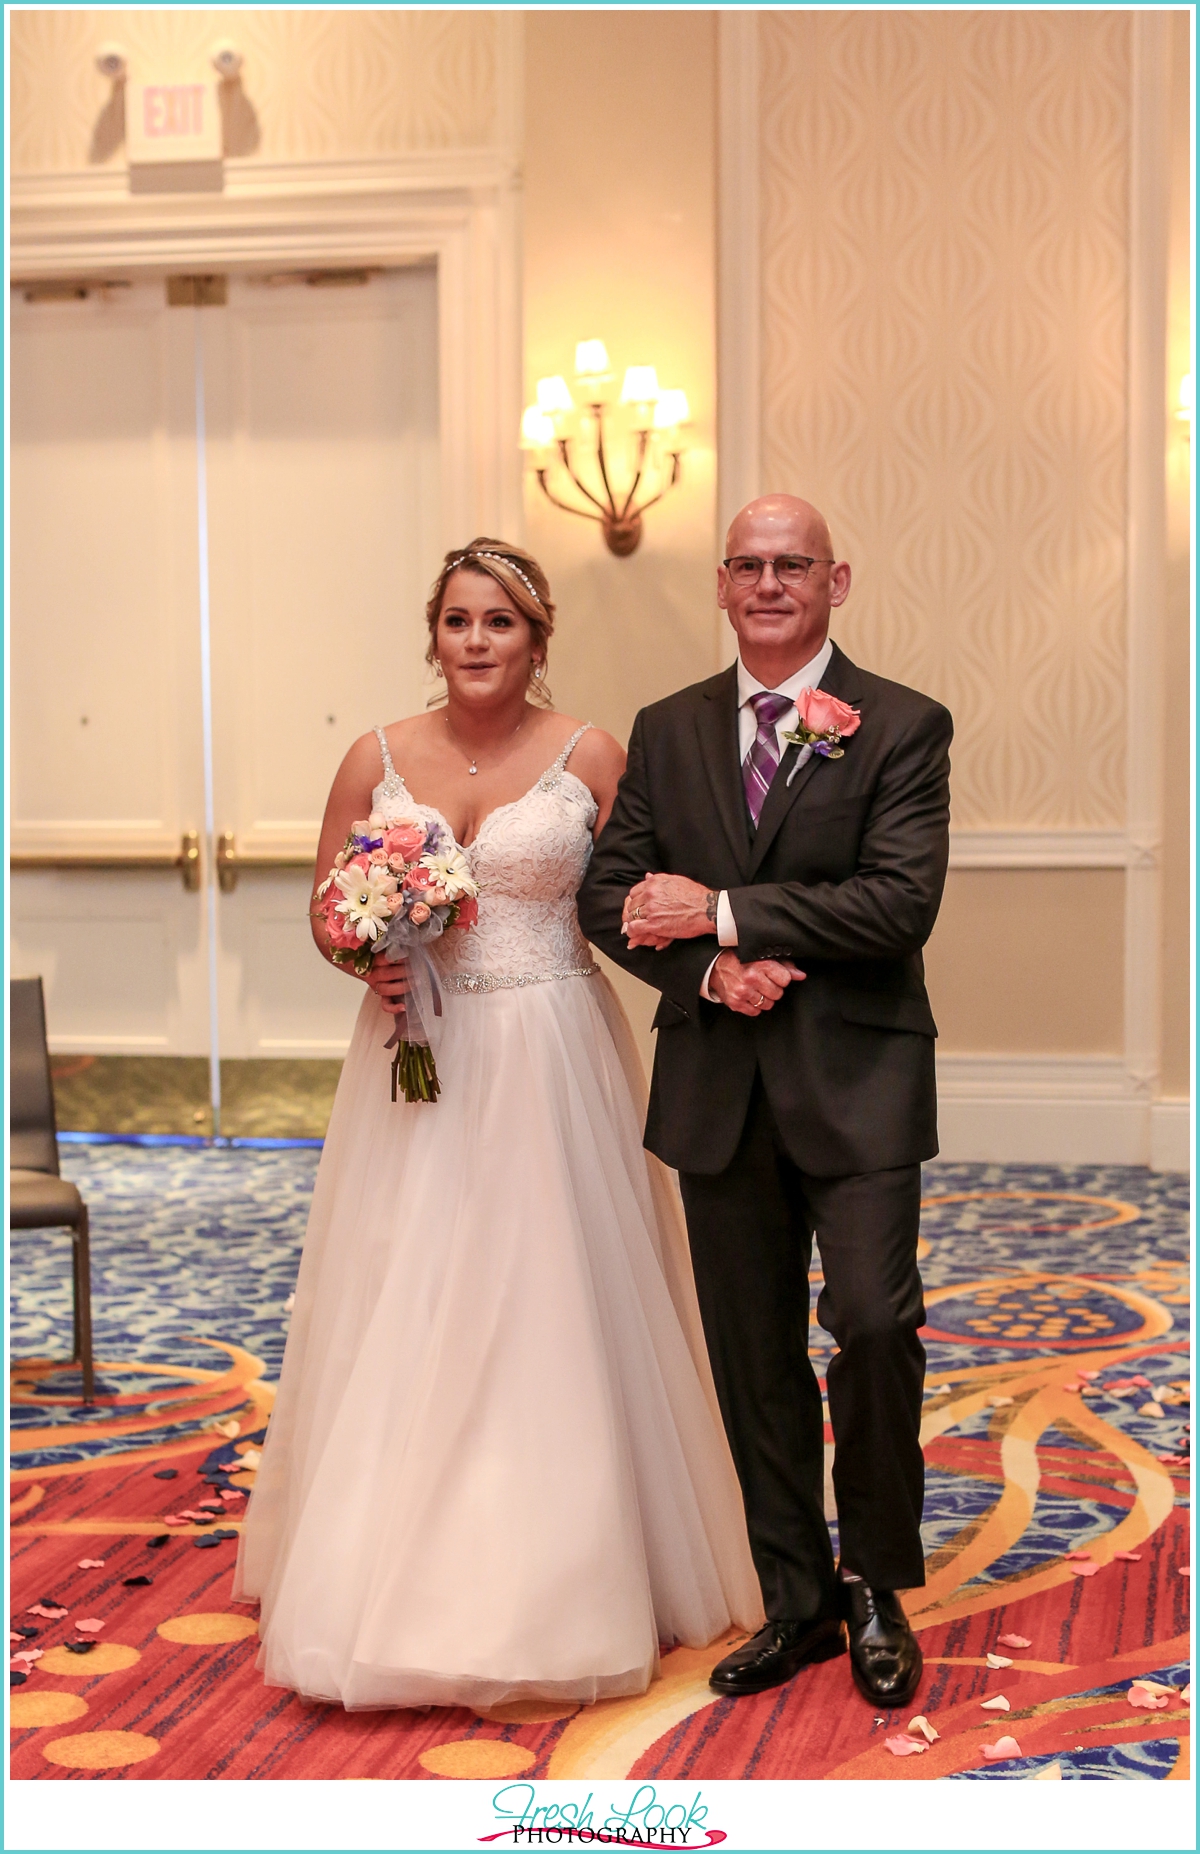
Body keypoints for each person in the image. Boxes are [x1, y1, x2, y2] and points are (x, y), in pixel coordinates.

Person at [234, 538, 762, 1710]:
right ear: (434, 636)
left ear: (537, 640)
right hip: (415, 1047)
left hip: (548, 1052)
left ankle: (560, 1571)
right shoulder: (375, 755)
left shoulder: (591, 755)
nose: (478, 642)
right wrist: (362, 955)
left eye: (503, 623)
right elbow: (329, 907)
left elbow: (639, 897)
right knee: (406, 1282)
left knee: (545, 1294)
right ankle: (380, 1561)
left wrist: (728, 959)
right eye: (460, 621)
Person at [577, 494, 952, 1708]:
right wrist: (705, 967)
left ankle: (877, 1586)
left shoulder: (901, 724)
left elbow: (898, 905)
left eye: (795, 564)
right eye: (749, 563)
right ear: (724, 586)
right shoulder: (669, 726)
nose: (771, 582)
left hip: (859, 1081)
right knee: (752, 1353)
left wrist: (724, 910)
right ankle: (796, 1598)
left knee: (877, 1323)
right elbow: (608, 897)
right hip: (719, 1087)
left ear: (837, 580)